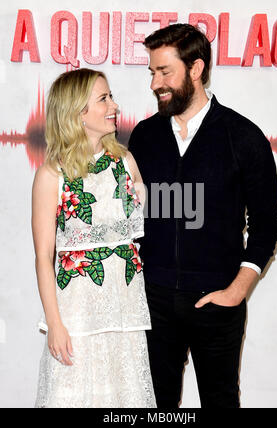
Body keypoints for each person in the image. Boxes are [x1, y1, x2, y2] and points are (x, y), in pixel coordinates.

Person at [128, 24, 277, 408]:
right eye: (152, 72)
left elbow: (267, 225)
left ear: (195, 69)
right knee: (155, 404)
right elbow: (132, 215)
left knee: (220, 400)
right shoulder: (144, 137)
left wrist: (237, 290)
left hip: (217, 301)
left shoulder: (242, 137)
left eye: (165, 72)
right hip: (154, 302)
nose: (155, 84)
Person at [32, 68, 156, 408]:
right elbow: (44, 255)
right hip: (77, 320)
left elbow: (160, 212)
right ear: (78, 113)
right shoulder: (51, 175)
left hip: (125, 315)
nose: (114, 105)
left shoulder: (125, 161)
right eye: (104, 98)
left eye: (111, 96)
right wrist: (54, 323)